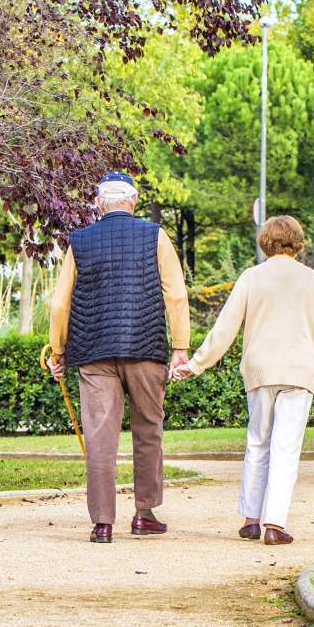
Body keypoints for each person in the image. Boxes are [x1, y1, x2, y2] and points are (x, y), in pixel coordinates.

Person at [47, 172, 192, 544]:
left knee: (99, 436)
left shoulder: (79, 241)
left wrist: (58, 349)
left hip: (94, 351)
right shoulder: (154, 235)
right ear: (134, 200)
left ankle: (102, 523)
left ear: (99, 203)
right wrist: (180, 347)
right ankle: (144, 514)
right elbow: (175, 295)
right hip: (145, 348)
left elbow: (60, 301)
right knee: (148, 429)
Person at [174, 216, 314, 546]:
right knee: (285, 447)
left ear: (266, 242)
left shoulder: (251, 277)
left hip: (260, 371)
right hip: (300, 372)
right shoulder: (312, 279)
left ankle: (250, 520)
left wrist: (196, 364)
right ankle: (274, 524)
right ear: (297, 242)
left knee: (258, 442)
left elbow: (225, 328)